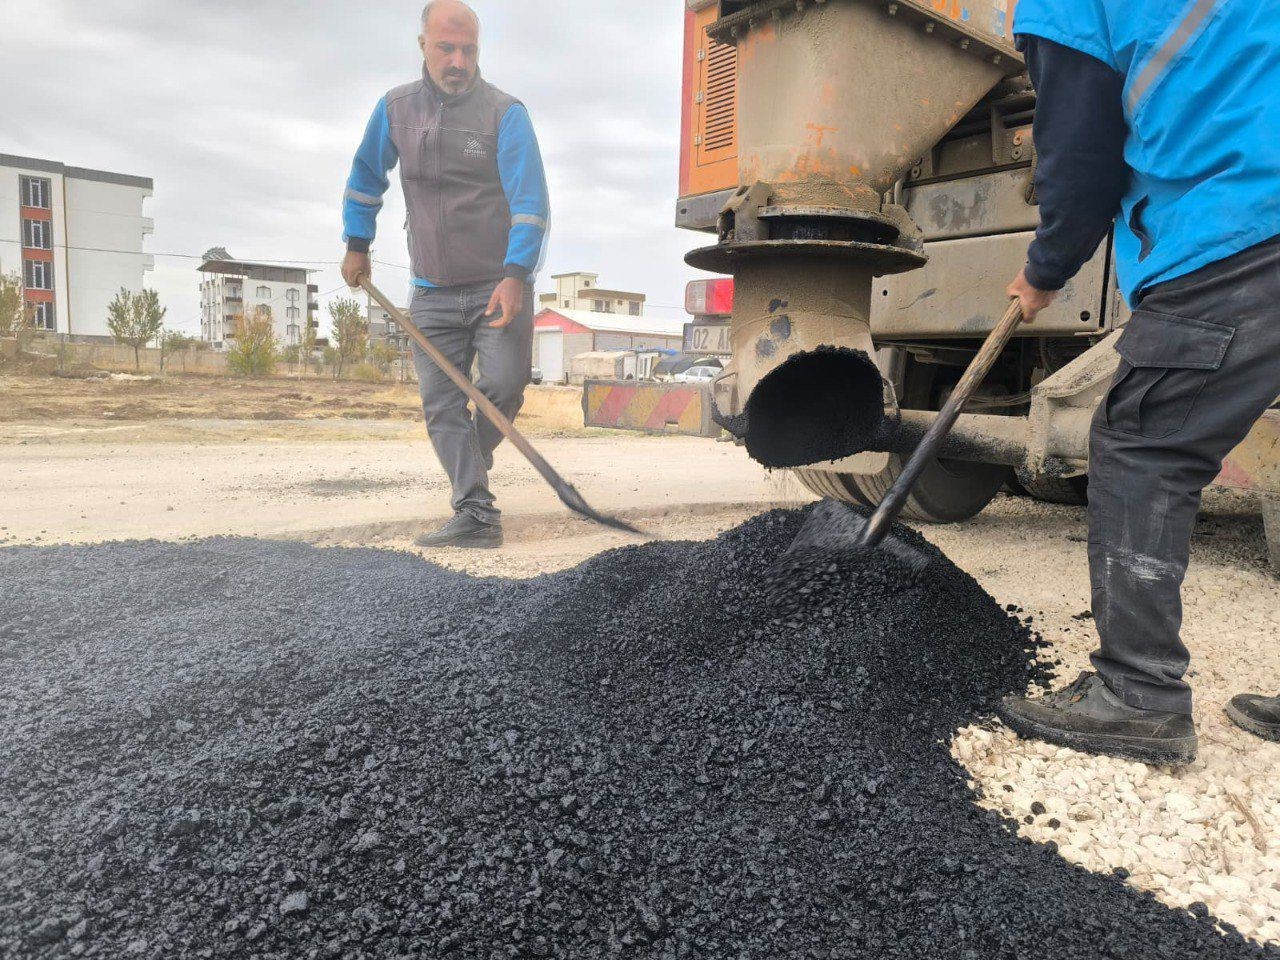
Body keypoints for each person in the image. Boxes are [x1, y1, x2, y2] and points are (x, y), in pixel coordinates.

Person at [998, 0, 1280, 765]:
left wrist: (1044, 270)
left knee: (1144, 445)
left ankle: (1138, 697)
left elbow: (1080, 159)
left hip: (1239, 221)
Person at [341, 0, 549, 549]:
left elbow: (531, 204)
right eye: (446, 48)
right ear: (423, 47)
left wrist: (515, 275)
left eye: (469, 50)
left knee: (504, 387)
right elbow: (366, 177)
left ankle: (468, 466)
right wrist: (356, 243)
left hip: (496, 284)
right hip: (431, 290)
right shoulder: (395, 110)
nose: (458, 61)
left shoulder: (506, 114)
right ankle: (476, 512)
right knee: (441, 406)